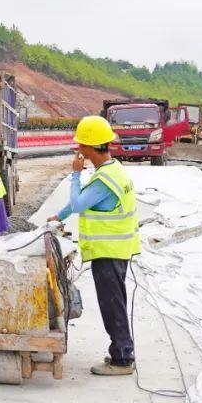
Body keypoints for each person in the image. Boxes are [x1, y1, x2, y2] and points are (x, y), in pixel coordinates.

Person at [46, 115, 140, 376]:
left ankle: (122, 358)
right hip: (113, 251)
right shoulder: (111, 171)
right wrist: (59, 216)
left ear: (89, 148)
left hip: (108, 252)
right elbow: (85, 201)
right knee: (114, 303)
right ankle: (120, 352)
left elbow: (79, 202)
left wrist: (75, 175)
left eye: (81, 146)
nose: (78, 150)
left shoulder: (104, 179)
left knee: (112, 305)